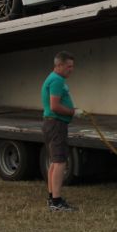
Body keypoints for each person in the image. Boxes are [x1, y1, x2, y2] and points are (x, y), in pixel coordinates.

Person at [41, 51, 86, 212]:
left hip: (52, 124)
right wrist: (73, 112)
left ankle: (52, 197)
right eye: (68, 66)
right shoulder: (57, 80)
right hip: (56, 124)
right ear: (58, 65)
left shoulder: (54, 78)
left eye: (72, 66)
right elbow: (55, 106)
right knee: (60, 162)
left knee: (54, 162)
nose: (71, 69)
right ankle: (56, 202)